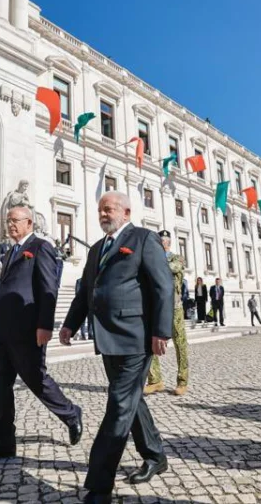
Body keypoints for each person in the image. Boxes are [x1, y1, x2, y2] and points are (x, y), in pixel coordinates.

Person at [60, 192, 173, 503]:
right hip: (108, 338)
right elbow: (85, 291)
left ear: (125, 211)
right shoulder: (97, 249)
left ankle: (99, 486)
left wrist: (161, 330)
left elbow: (164, 285)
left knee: (119, 405)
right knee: (131, 401)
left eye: (108, 209)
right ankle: (155, 455)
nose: (102, 214)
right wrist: (70, 323)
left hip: (136, 337)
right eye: (99, 210)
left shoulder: (143, 239)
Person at [0, 205, 82, 463]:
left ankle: (71, 413)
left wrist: (45, 325)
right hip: (3, 331)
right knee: (0, 387)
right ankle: (3, 442)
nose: (10, 224)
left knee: (36, 380)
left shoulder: (41, 247)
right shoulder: (11, 251)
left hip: (27, 330)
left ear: (29, 223)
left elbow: (48, 288)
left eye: (15, 220)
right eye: (8, 220)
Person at [144, 230, 189, 397]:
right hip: (155, 308)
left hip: (174, 308)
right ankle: (155, 380)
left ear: (166, 243)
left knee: (180, 343)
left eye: (161, 241)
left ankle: (182, 381)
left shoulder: (177, 259)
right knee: (150, 342)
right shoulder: (152, 260)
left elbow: (169, 268)